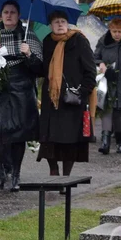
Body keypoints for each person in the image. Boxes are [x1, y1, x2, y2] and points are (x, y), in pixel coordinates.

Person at [0, 1, 43, 189]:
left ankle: (15, 175)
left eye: (12, 12)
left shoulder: (28, 36)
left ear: (19, 15)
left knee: (18, 134)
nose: (8, 15)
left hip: (21, 90)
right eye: (5, 12)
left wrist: (29, 54)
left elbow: (40, 68)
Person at [38, 10, 95, 176]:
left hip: (72, 101)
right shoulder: (47, 41)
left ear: (68, 23)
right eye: (56, 22)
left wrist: (82, 93)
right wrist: (28, 55)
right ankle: (54, 173)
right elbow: (43, 69)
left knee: (70, 141)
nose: (60, 24)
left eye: (63, 21)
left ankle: (66, 177)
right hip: (51, 98)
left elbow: (90, 72)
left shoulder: (79, 41)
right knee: (49, 139)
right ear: (50, 25)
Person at [93, 18, 121, 155]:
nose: (117, 34)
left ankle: (119, 142)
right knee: (107, 111)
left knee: (118, 113)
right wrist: (101, 64)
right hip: (107, 80)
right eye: (114, 31)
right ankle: (105, 142)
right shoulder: (103, 41)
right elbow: (95, 56)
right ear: (109, 30)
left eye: (120, 32)